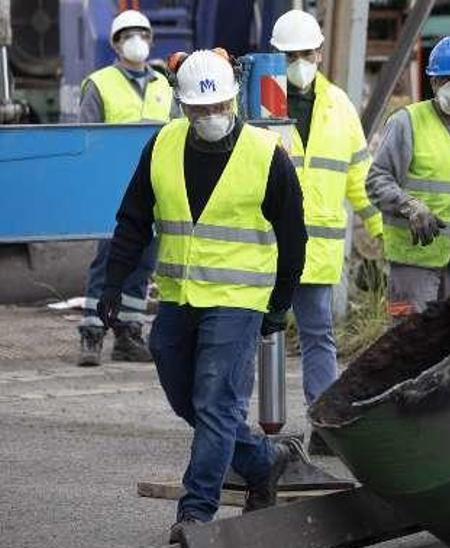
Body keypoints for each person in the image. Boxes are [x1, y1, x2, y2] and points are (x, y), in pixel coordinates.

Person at [94, 49, 308, 542]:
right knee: (187, 398)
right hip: (180, 296)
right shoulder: (162, 145)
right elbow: (132, 222)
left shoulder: (265, 153)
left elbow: (293, 236)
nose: (211, 117)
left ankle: (196, 513)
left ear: (233, 100)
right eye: (200, 109)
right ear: (182, 106)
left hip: (239, 299)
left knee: (214, 402)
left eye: (219, 108)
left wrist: (280, 304)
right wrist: (112, 284)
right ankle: (262, 461)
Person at [269, 9, 382, 453]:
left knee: (319, 338)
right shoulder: (260, 101)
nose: (299, 62)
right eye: (289, 55)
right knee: (249, 338)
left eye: (305, 53)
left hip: (316, 252)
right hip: (267, 249)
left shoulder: (339, 106)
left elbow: (359, 175)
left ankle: (324, 425)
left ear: (320, 52)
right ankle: (236, 428)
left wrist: (382, 229)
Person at [366, 35, 450, 319]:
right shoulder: (407, 122)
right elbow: (376, 180)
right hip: (414, 261)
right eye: (443, 80)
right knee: (409, 346)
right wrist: (411, 207)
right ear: (432, 84)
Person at [77, 9, 178, 366]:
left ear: (151, 39)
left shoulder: (165, 84)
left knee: (143, 263)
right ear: (116, 44)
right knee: (107, 260)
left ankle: (128, 333)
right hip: (112, 190)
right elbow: (85, 139)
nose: (136, 41)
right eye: (127, 35)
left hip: (154, 187)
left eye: (142, 34)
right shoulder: (99, 83)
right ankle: (92, 332)